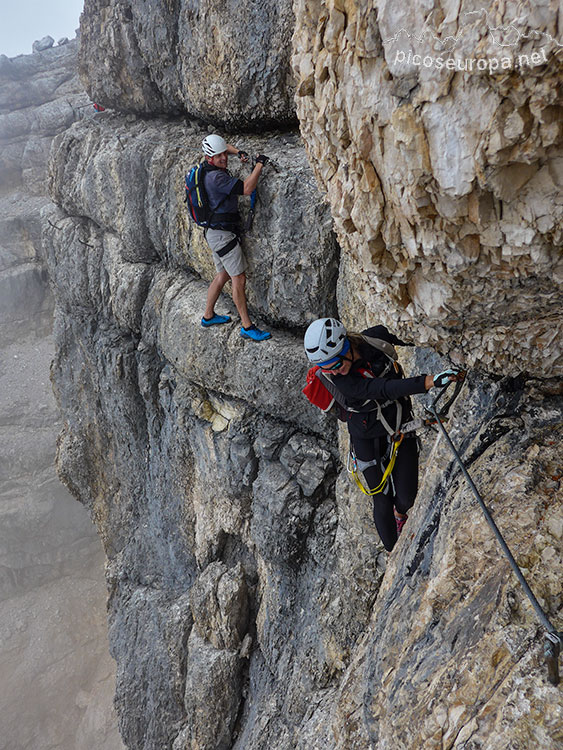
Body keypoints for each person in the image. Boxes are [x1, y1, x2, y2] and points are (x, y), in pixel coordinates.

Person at [303, 318, 463, 552]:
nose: (335, 371)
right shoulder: (346, 383)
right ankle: (394, 551)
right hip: (366, 437)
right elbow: (384, 388)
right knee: (381, 497)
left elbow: (413, 336)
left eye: (336, 362)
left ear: (346, 346)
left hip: (398, 425)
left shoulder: (375, 339)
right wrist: (429, 382)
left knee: (406, 497)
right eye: (327, 369)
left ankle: (401, 514)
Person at [200, 134, 271, 342]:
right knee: (238, 278)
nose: (223, 158)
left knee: (222, 275)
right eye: (218, 156)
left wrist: (237, 151)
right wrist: (259, 164)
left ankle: (208, 316)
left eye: (224, 154)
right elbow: (247, 189)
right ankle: (247, 326)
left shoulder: (206, 167)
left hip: (214, 232)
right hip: (223, 235)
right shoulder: (217, 178)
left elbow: (223, 148)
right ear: (209, 157)